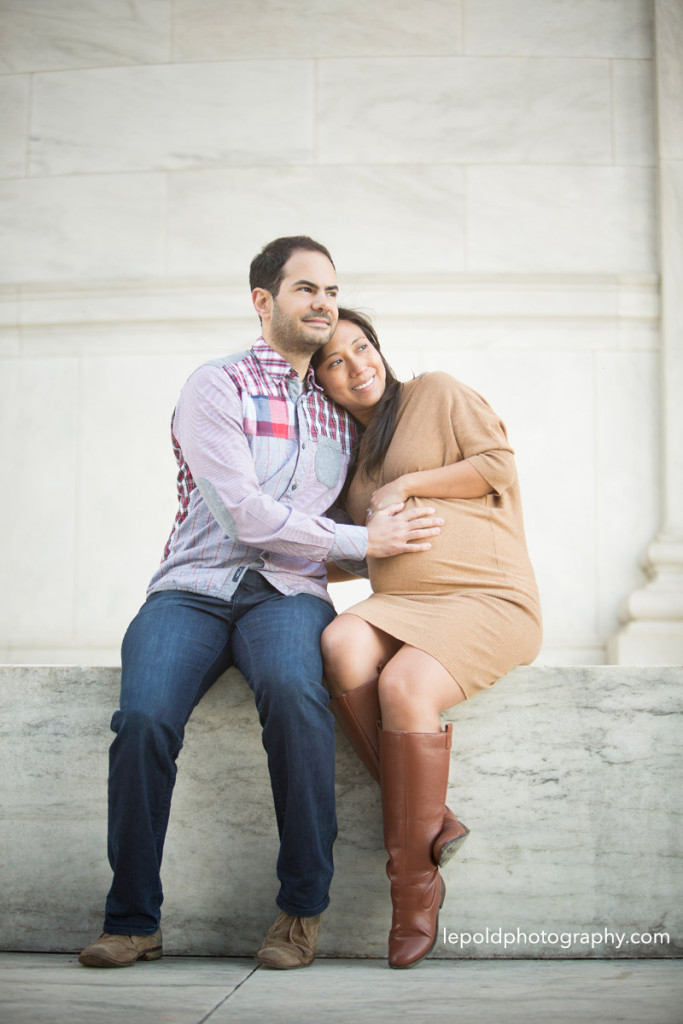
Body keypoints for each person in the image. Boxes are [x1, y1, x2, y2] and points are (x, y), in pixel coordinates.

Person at [78, 239, 443, 971]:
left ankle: (299, 913)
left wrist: (392, 545)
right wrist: (365, 537)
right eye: (305, 288)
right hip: (194, 589)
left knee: (295, 697)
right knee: (144, 719)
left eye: (331, 291)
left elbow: (340, 542)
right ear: (263, 301)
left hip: (287, 595)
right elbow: (244, 513)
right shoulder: (216, 386)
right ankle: (132, 920)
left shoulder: (346, 412)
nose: (322, 303)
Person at [312, 308, 542, 969]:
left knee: (404, 684)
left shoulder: (434, 393)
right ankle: (430, 820)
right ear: (321, 382)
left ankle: (412, 890)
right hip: (403, 603)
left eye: (362, 348)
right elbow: (351, 550)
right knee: (339, 645)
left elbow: (495, 464)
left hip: (486, 596)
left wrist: (407, 484)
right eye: (336, 361)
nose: (358, 366)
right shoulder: (352, 461)